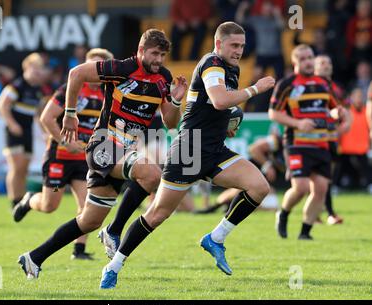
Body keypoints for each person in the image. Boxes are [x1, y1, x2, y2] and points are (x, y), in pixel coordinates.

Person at [99, 22, 275, 289]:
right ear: (219, 44)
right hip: (189, 149)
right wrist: (256, 88)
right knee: (157, 214)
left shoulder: (231, 68)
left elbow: (214, 106)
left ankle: (215, 238)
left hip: (214, 149)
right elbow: (218, 99)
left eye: (242, 46)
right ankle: (114, 265)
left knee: (259, 186)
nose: (239, 51)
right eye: (234, 45)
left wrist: (225, 122)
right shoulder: (213, 63)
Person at [17, 29, 187, 279]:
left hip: (123, 151)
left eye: (162, 54)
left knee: (88, 221)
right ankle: (114, 231)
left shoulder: (163, 78)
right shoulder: (120, 68)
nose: (158, 59)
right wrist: (70, 113)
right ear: (140, 51)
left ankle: (33, 258)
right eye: (154, 53)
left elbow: (171, 123)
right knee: (152, 175)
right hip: (103, 146)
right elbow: (76, 73)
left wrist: (174, 101)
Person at [12, 48, 114, 260]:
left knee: (88, 205)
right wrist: (65, 142)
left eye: (100, 66)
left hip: (85, 160)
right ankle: (30, 200)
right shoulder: (71, 88)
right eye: (92, 65)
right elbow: (46, 118)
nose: (95, 71)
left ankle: (79, 250)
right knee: (49, 206)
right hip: (60, 156)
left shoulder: (108, 93)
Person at [270, 44, 349, 241]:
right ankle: (283, 213)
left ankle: (305, 232)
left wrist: (338, 113)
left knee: (321, 189)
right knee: (301, 187)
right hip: (297, 143)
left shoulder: (323, 83)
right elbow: (274, 113)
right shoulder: (287, 84)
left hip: (321, 144)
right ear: (295, 62)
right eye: (303, 58)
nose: (308, 61)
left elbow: (330, 108)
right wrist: (297, 122)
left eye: (310, 57)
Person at [0, 53, 50, 209]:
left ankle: (20, 202)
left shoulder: (38, 90)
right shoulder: (16, 86)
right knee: (16, 167)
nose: (38, 72)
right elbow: (1, 106)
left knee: (24, 169)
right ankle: (14, 202)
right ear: (26, 68)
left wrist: (45, 132)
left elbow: (39, 114)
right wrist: (12, 124)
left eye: (40, 68)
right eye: (35, 68)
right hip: (14, 132)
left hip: (27, 131)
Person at [194, 130, 285, 214]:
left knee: (272, 206)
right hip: (247, 173)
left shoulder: (293, 150)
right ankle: (215, 206)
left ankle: (230, 206)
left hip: (263, 184)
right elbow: (254, 149)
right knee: (243, 190)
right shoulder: (277, 141)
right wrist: (267, 165)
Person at [314, 54, 350, 225]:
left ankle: (319, 213)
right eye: (322, 63)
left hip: (330, 137)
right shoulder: (312, 86)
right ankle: (327, 213)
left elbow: (344, 107)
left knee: (325, 177)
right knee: (320, 177)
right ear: (315, 67)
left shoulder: (334, 87)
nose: (326, 65)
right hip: (314, 138)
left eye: (328, 62)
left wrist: (345, 122)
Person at [336, 88, 371, 191]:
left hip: (362, 146)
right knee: (340, 168)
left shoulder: (367, 111)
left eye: (360, 96)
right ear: (351, 97)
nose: (359, 99)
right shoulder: (345, 111)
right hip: (346, 147)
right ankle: (335, 185)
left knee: (366, 168)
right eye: (356, 96)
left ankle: (369, 184)